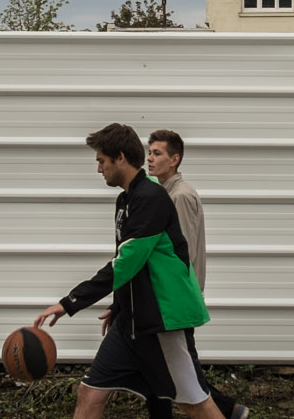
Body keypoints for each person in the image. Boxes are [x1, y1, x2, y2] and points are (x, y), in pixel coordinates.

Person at [33, 123, 229, 419]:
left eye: (101, 160)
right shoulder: (126, 200)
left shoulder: (151, 198)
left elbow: (125, 263)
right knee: (90, 392)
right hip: (131, 324)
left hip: (162, 322)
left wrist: (69, 303)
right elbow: (130, 264)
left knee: (194, 402)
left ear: (120, 157)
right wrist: (120, 305)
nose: (99, 169)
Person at [144, 129, 246, 419]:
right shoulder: (164, 193)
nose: (149, 159)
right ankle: (230, 409)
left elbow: (181, 253)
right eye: (149, 152)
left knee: (182, 370)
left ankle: (229, 410)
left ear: (175, 159)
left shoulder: (181, 196)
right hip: (168, 298)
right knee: (165, 368)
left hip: (175, 298)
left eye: (157, 153)